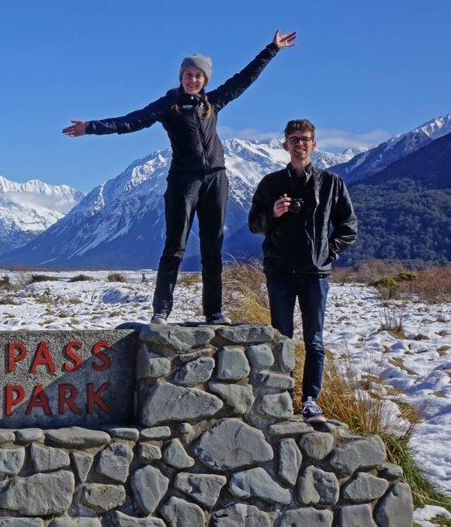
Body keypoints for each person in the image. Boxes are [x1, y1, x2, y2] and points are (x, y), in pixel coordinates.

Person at [63, 31, 297, 325]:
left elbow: (243, 80)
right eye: (188, 74)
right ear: (181, 77)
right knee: (175, 246)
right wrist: (92, 127)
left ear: (205, 79)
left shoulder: (212, 103)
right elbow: (130, 121)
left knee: (213, 248)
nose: (192, 79)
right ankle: (161, 310)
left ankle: (214, 312)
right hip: (183, 183)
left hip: (216, 179)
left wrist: (272, 49)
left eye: (198, 75)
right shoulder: (169, 104)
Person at [248, 119, 358, 424]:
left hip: (315, 273)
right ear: (285, 145)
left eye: (305, 139)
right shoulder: (270, 184)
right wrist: (273, 213)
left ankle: (310, 400)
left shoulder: (332, 184)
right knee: (282, 337)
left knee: (315, 341)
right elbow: (254, 225)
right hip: (280, 271)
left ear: (314, 144)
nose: (300, 144)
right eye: (294, 139)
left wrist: (329, 252)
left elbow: (348, 227)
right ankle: (281, 396)